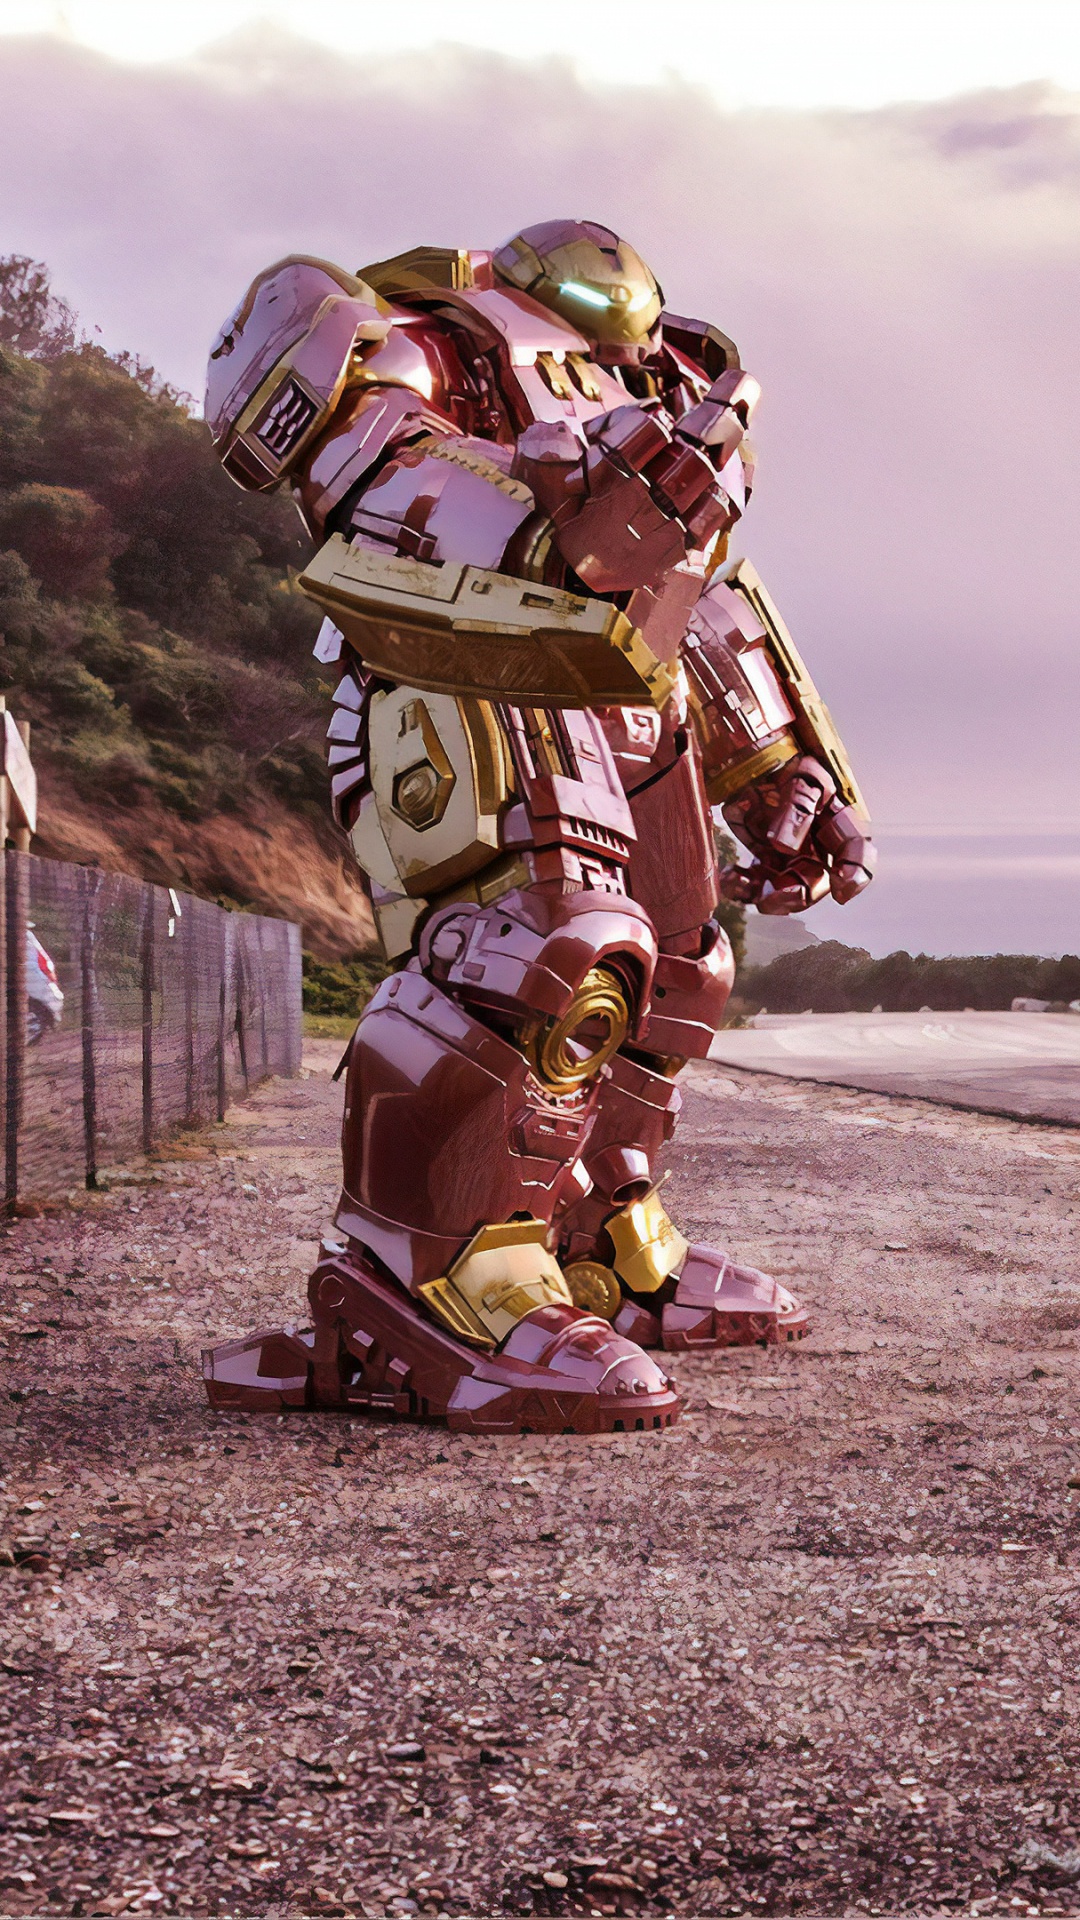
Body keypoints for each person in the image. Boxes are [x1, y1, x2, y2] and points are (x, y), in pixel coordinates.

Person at [201, 220, 874, 1434]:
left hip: (630, 691)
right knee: (546, 951)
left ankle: (604, 1242)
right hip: (475, 665)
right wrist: (548, 517)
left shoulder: (657, 376)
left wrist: (778, 765)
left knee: (682, 961)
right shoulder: (424, 337)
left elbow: (706, 597)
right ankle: (428, 1278)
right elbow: (376, 477)